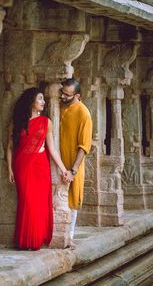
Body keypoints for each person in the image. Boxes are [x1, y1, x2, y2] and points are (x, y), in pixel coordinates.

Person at [7, 87, 69, 250]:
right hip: (22, 166)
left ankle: (35, 241)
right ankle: (25, 241)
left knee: (39, 203)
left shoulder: (46, 122)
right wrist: (9, 169)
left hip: (40, 166)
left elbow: (52, 149)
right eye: (40, 98)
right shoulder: (17, 122)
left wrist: (63, 169)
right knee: (26, 202)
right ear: (31, 102)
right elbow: (9, 147)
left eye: (43, 99)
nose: (43, 102)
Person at [59, 78, 93, 250]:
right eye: (62, 93)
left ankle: (69, 236)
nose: (63, 97)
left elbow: (84, 146)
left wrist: (73, 170)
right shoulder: (57, 106)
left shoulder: (83, 113)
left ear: (77, 95)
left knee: (72, 199)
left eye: (67, 95)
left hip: (73, 164)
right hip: (56, 161)